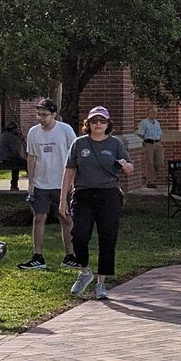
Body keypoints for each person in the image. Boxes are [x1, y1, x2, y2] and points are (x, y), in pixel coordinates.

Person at [63, 106, 132, 298]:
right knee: (79, 236)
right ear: (88, 124)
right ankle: (85, 272)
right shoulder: (79, 143)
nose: (98, 124)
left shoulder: (115, 144)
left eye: (102, 121)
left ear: (108, 124)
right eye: (94, 121)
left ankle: (101, 283)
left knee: (107, 238)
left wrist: (125, 166)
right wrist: (62, 201)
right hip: (83, 195)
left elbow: (129, 167)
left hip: (109, 194)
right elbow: (68, 172)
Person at [18, 99, 75, 270]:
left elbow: (74, 156)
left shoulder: (65, 130)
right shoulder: (33, 132)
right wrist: (31, 182)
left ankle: (70, 256)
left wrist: (72, 180)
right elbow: (32, 157)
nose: (41, 118)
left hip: (62, 183)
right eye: (39, 115)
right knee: (39, 218)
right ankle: (37, 256)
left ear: (54, 114)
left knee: (66, 218)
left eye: (45, 115)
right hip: (41, 183)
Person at [131, 111, 165, 187]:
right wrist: (144, 144)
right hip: (149, 144)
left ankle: (147, 175)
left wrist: (160, 143)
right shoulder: (143, 122)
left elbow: (160, 134)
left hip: (158, 143)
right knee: (150, 163)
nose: (154, 114)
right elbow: (140, 134)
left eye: (155, 112)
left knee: (160, 162)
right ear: (148, 113)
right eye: (152, 112)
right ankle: (150, 181)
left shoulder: (157, 123)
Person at [0, 115, 25, 192]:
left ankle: (14, 185)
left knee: (17, 164)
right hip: (5, 161)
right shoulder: (11, 137)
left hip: (0, 160)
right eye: (17, 128)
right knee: (26, 164)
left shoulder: (4, 135)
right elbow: (15, 152)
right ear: (14, 129)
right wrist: (20, 140)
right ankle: (16, 185)